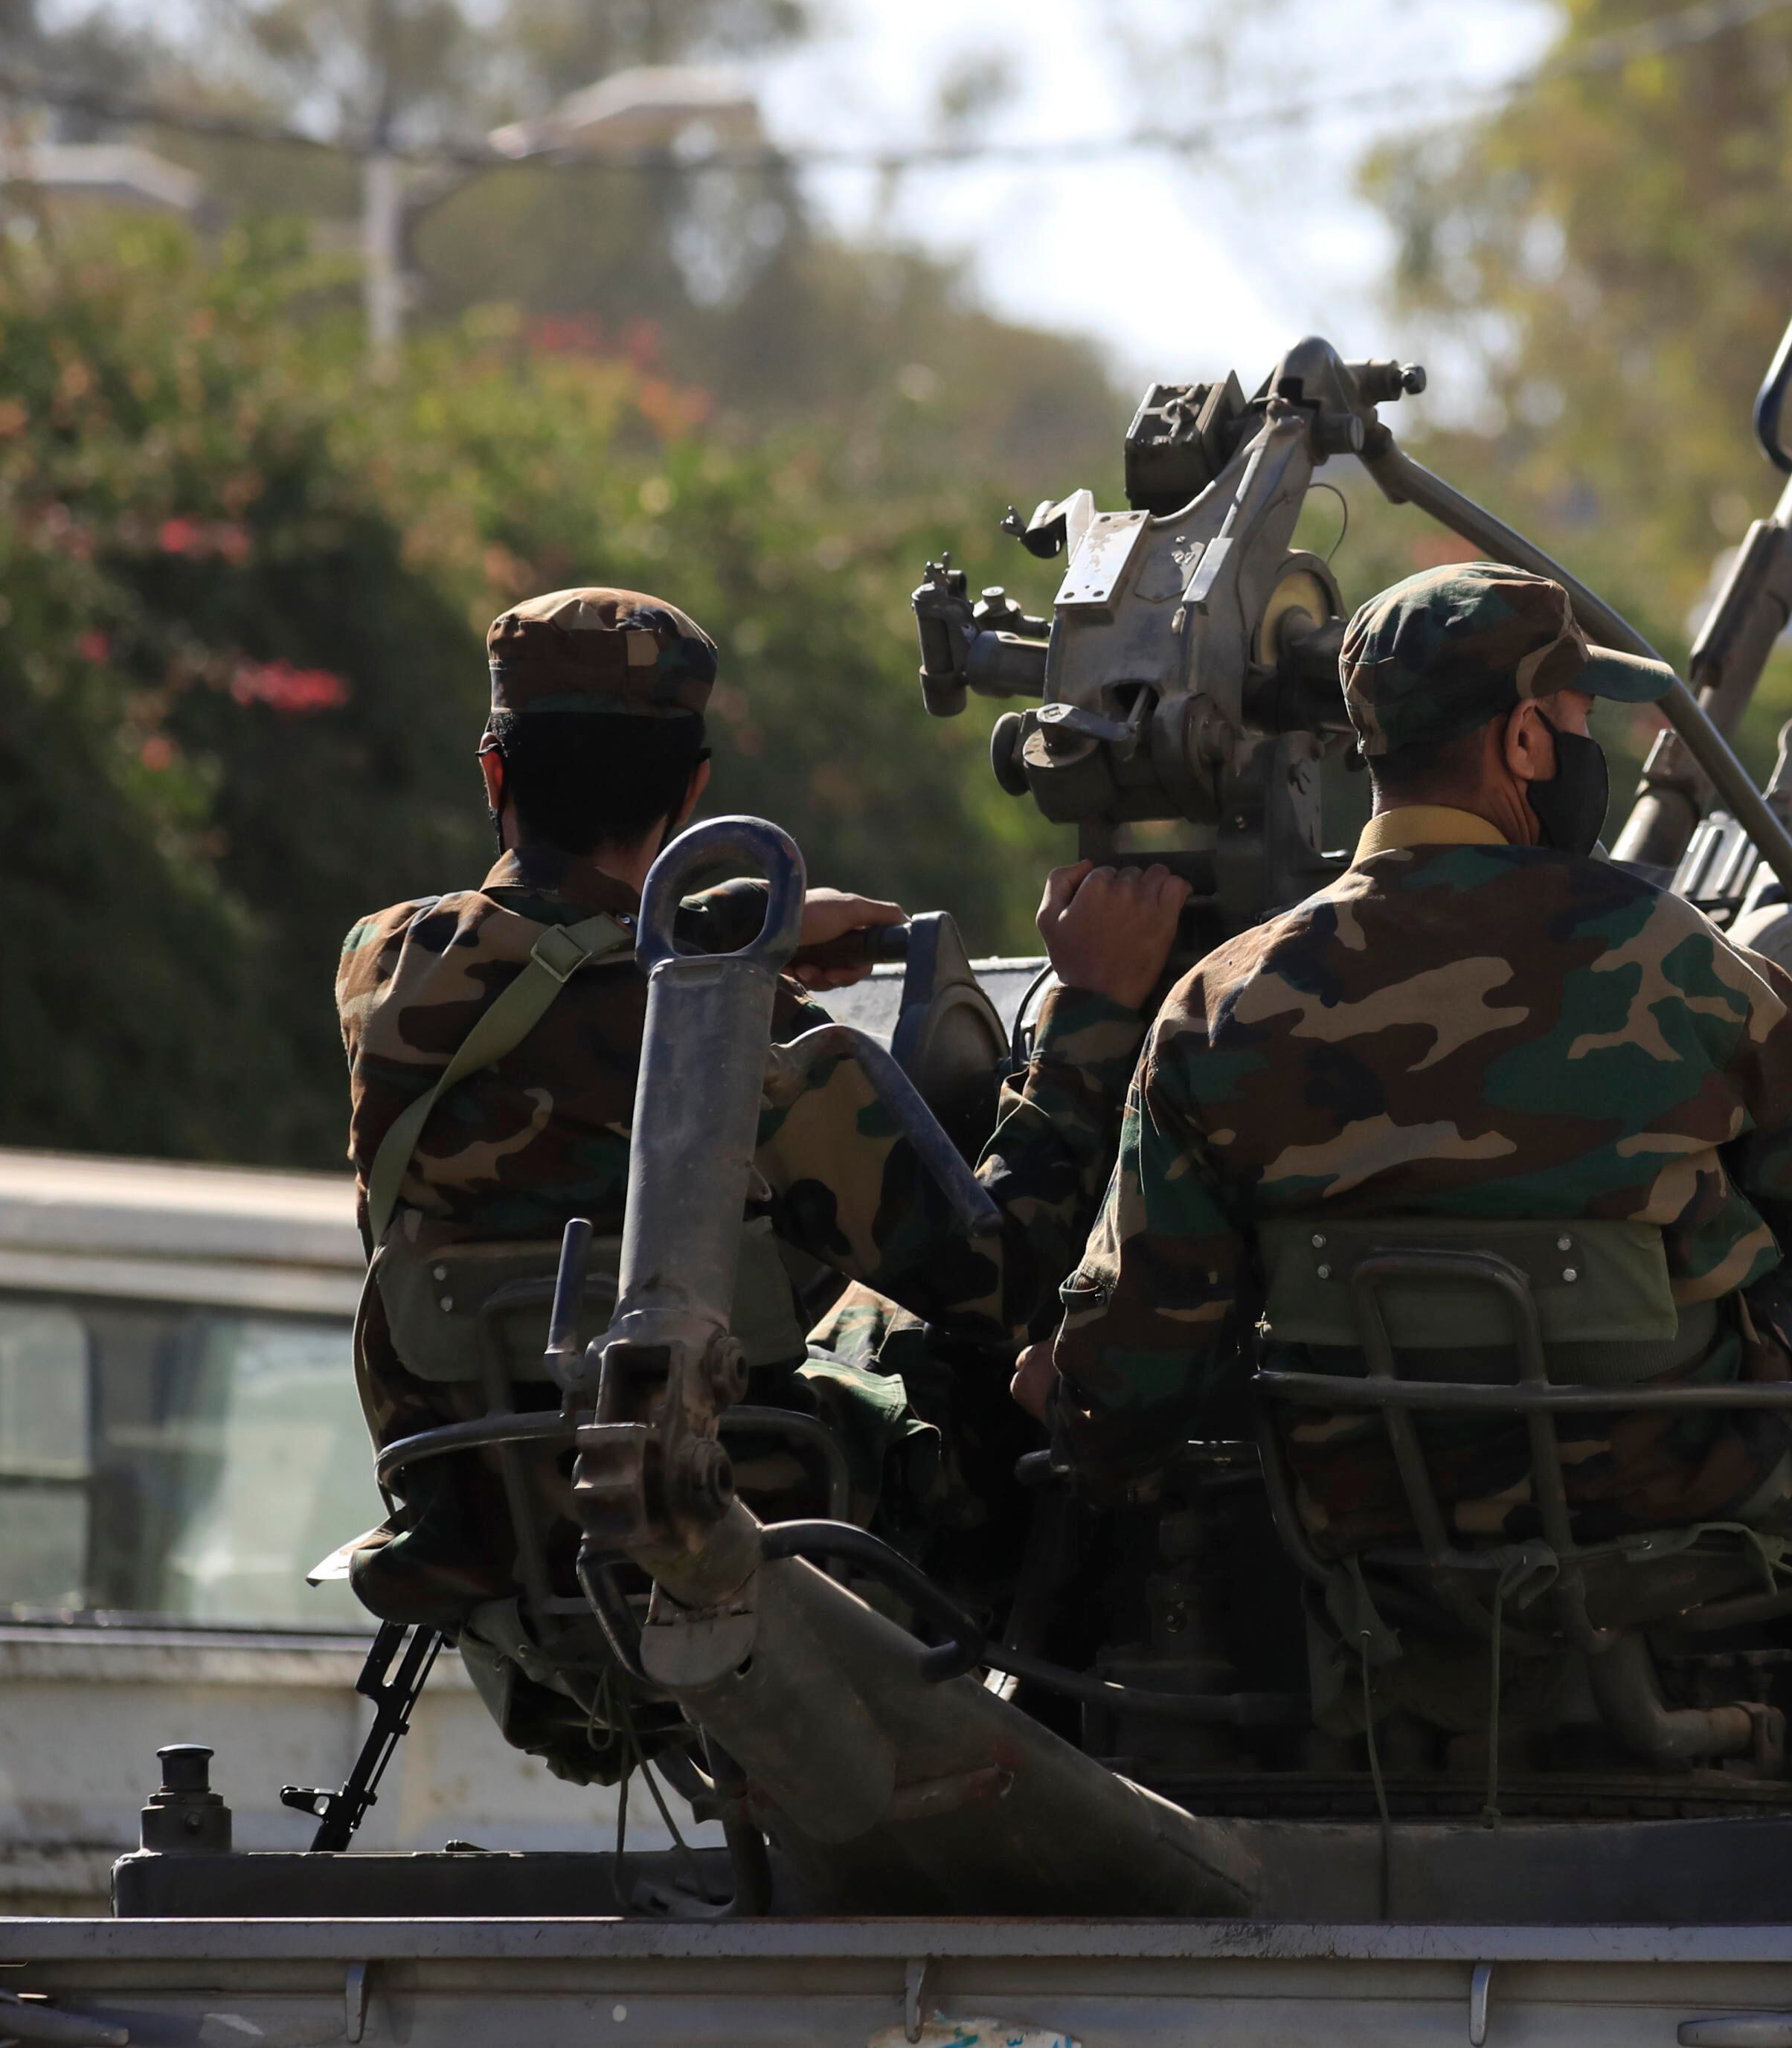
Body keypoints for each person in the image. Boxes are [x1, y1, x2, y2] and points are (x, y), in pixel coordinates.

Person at [1035, 561, 1792, 1747]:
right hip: (1704, 1495)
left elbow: (1130, 1378)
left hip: (1364, 1513)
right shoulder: (1679, 960)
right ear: (1529, 740)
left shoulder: (1215, 1005)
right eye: (1582, 723)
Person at [337, 585, 1187, 1778]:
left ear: (495, 774)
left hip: (492, 1529)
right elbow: (1006, 1275)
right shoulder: (745, 1048)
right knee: (990, 1364)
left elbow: (543, 959)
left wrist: (730, 922)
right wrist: (1094, 1012)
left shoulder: (382, 974)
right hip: (727, 1541)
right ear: (692, 791)